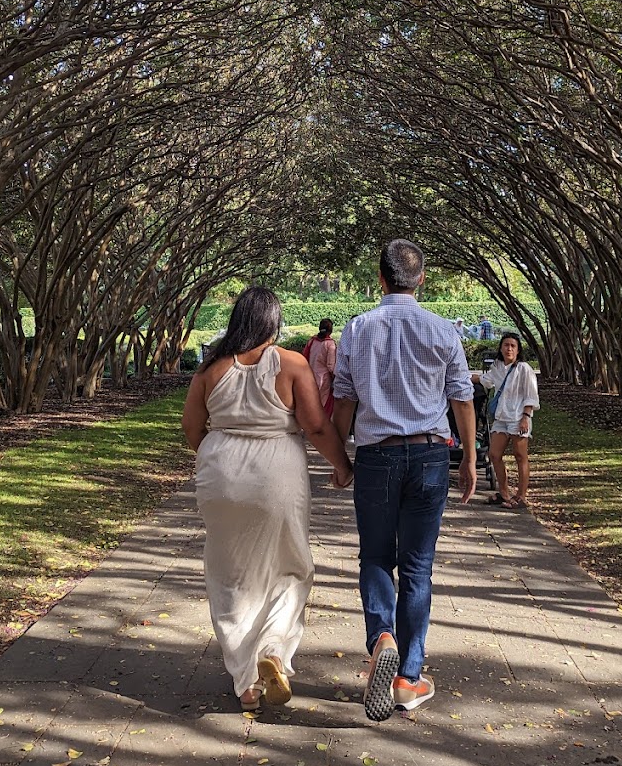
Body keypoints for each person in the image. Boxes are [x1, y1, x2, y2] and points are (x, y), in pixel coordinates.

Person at [182, 287, 353, 709]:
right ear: (273, 323)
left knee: (229, 576)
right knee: (291, 566)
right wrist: (343, 465)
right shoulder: (291, 364)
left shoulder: (210, 369)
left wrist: (221, 452)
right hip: (276, 473)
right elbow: (315, 426)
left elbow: (191, 429)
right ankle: (273, 651)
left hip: (220, 474)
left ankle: (245, 684)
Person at [333, 239, 476, 722]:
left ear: (380, 278)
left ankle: (382, 637)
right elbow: (461, 399)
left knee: (375, 555)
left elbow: (345, 398)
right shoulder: (443, 330)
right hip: (432, 456)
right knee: (417, 567)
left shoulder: (357, 328)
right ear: (423, 279)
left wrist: (339, 457)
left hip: (376, 456)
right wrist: (472, 459)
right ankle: (409, 678)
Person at [473, 333, 539, 508]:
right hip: (501, 417)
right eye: (506, 345)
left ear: (518, 350)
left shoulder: (524, 368)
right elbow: (485, 380)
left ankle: (521, 496)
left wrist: (526, 416)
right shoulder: (497, 367)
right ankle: (504, 493)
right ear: (501, 348)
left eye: (513, 346)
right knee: (494, 455)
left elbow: (530, 395)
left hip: (518, 417)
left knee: (520, 456)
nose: (509, 349)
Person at [304, 317, 338, 417]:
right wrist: (335, 379)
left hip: (310, 377)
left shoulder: (312, 341)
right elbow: (331, 366)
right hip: (323, 380)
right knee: (322, 406)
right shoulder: (330, 344)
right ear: (331, 330)